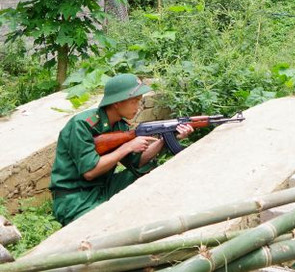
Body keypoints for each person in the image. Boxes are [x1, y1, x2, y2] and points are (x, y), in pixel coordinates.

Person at [49, 74, 193, 225]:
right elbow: (90, 172)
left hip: (105, 187)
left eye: (140, 101)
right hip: (75, 197)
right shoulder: (82, 125)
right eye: (134, 101)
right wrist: (127, 147)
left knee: (151, 174)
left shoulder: (120, 126)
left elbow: (137, 162)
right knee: (101, 226)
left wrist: (166, 139)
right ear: (117, 103)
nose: (138, 107)